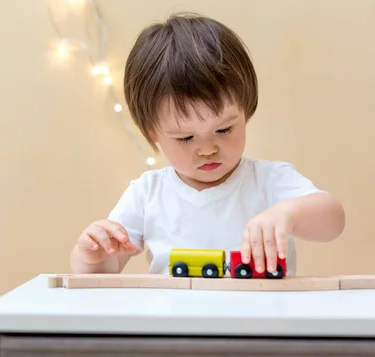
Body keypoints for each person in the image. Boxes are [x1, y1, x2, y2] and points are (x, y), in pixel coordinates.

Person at [70, 12, 345, 277]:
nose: (207, 149)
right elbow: (106, 268)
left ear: (246, 113)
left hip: (261, 322)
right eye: (185, 138)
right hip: (174, 324)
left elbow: (333, 222)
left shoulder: (269, 181)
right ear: (153, 132)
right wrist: (91, 257)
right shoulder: (147, 194)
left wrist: (288, 213)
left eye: (224, 129)